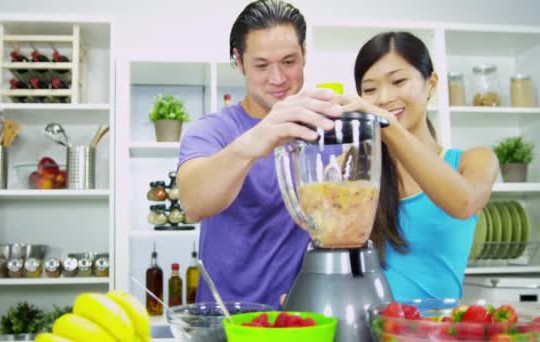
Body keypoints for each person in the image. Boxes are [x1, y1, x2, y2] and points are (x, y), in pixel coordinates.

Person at [176, 0, 344, 308]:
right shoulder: (213, 130)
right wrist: (256, 140)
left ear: (305, 54)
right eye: (262, 65)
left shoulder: (328, 130)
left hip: (307, 319)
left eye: (289, 61)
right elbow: (193, 203)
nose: (278, 79)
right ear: (239, 61)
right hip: (226, 323)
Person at [331, 31, 498, 300]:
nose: (384, 98)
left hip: (437, 333)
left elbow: (463, 203)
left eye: (398, 81)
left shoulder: (474, 160)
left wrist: (389, 126)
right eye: (370, 89)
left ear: (431, 84)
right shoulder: (355, 169)